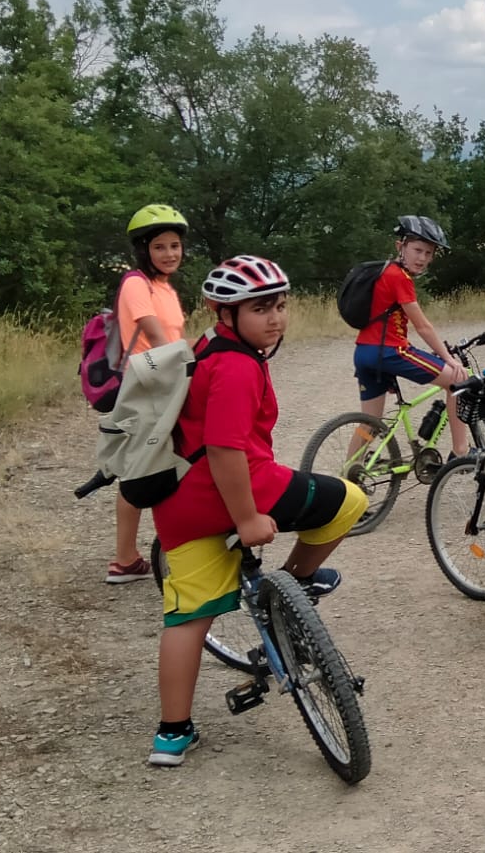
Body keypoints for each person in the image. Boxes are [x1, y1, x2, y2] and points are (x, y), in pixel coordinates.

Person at [147, 255, 368, 766]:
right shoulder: (238, 366)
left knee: (187, 618)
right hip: (236, 488)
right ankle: (290, 591)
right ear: (223, 311)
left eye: (281, 306)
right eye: (260, 308)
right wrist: (247, 519)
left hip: (180, 503)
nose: (275, 318)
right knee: (350, 501)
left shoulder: (206, 347)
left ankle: (172, 734)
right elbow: (226, 450)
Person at [107, 204, 189, 584]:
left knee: (164, 463)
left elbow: (174, 339)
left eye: (175, 245)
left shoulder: (164, 287)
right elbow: (157, 337)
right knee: (139, 470)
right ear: (144, 250)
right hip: (145, 387)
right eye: (160, 247)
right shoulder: (136, 284)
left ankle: (168, 546)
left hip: (166, 383)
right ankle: (125, 560)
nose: (170, 253)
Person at [350, 215, 471, 458]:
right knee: (459, 382)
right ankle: (461, 453)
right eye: (417, 250)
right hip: (389, 352)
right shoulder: (400, 277)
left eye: (428, 253)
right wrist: (449, 359)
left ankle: (349, 474)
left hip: (364, 352)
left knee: (370, 422)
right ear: (400, 247)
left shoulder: (383, 274)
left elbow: (389, 324)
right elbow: (422, 326)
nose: (423, 258)